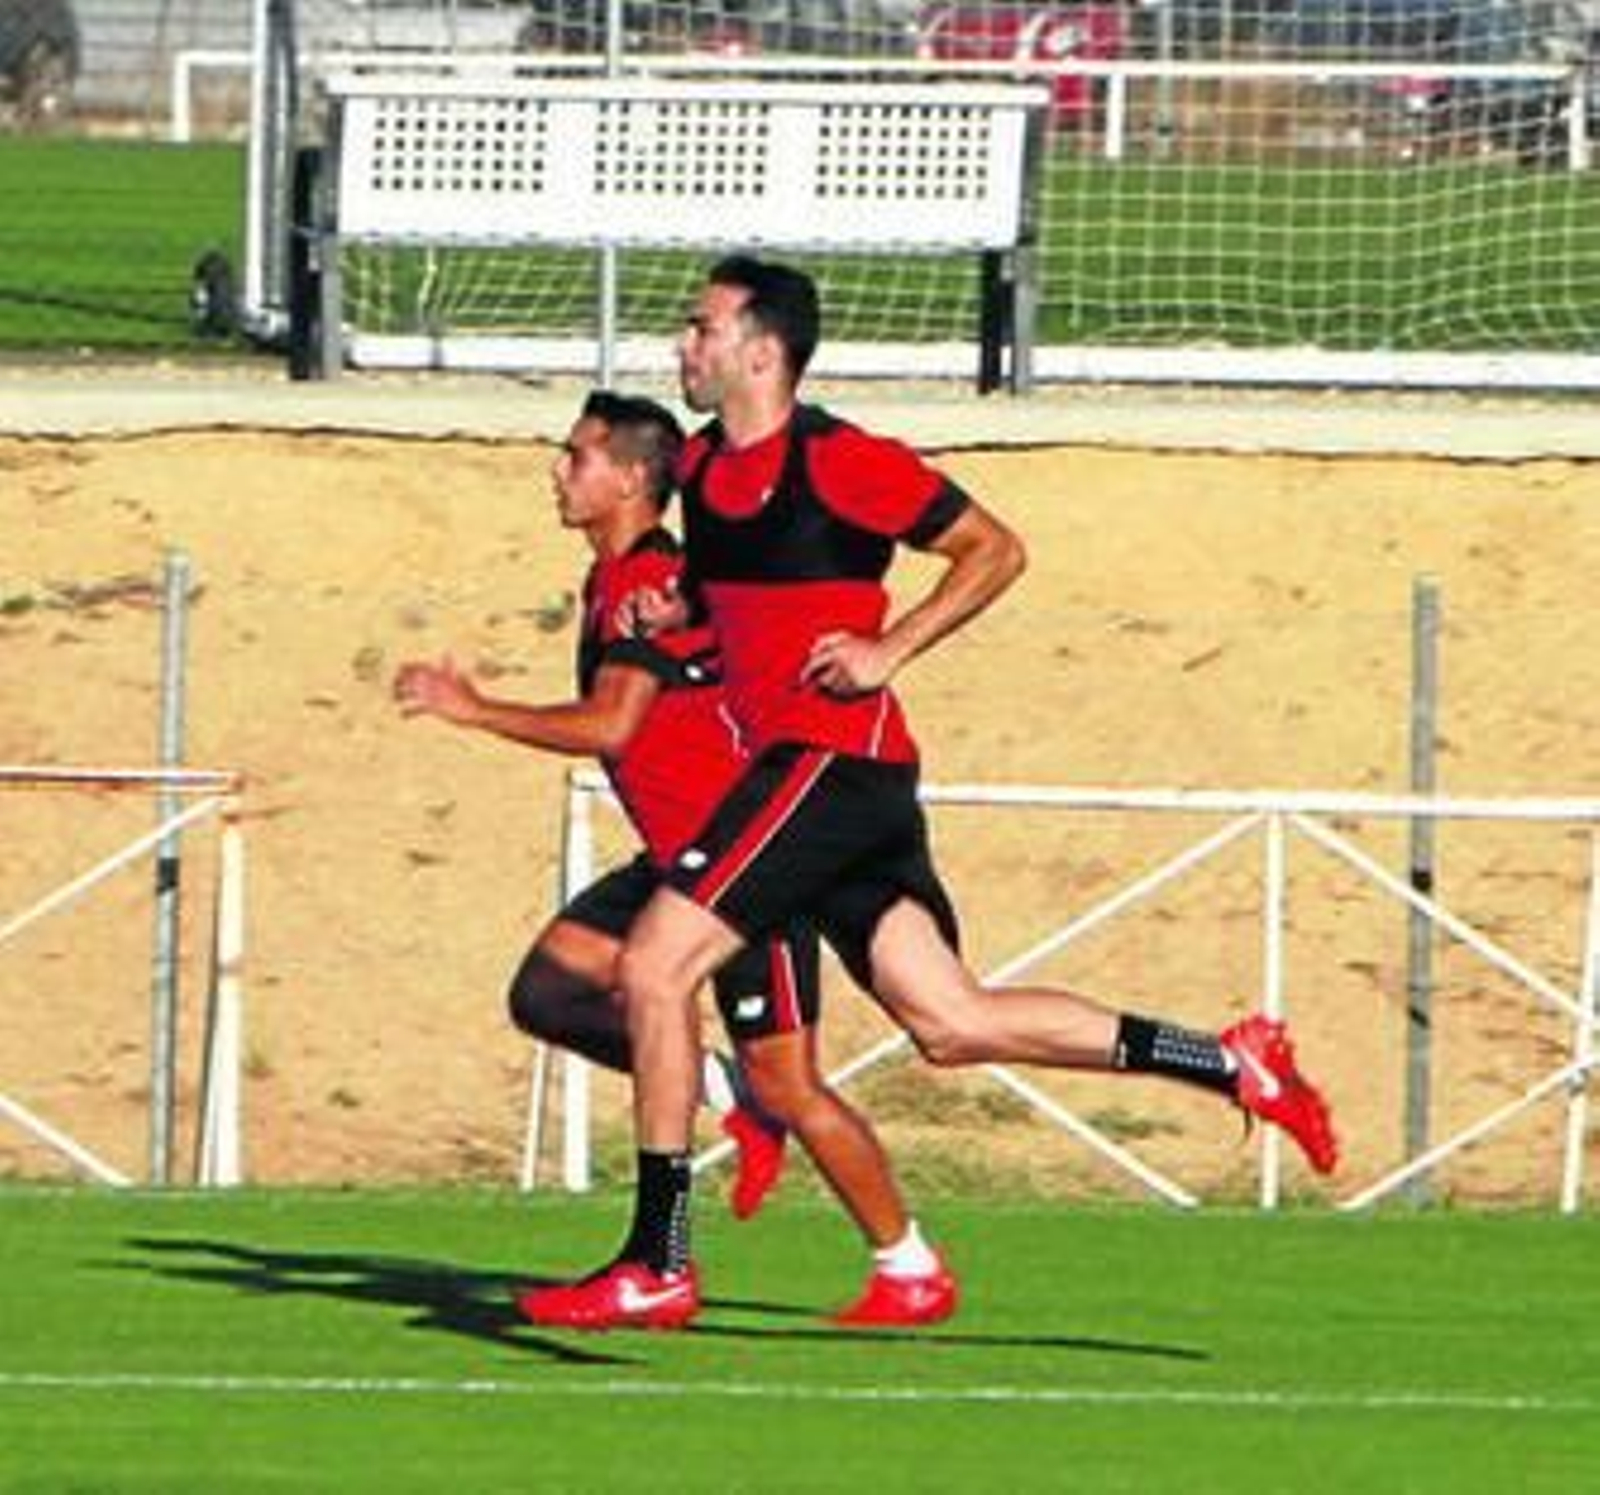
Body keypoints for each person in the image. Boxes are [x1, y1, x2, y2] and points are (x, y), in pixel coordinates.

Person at [517, 257, 1339, 1333]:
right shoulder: (712, 468)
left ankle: (657, 1260)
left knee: (655, 965)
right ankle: (1226, 1059)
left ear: (760, 350)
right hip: (841, 782)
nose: (684, 345)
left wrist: (889, 644)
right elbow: (735, 600)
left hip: (829, 763)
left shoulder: (842, 459)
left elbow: (994, 549)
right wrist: (674, 611)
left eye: (700, 326)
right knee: (950, 1022)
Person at [394, 389, 957, 1330]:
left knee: (794, 1083)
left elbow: (611, 722)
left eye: (576, 456)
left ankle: (903, 1262)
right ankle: (721, 1104)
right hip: (674, 859)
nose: (558, 472)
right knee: (547, 989)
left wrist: (476, 709)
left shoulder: (647, 575)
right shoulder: (617, 580)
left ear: (630, 477)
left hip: (738, 870)